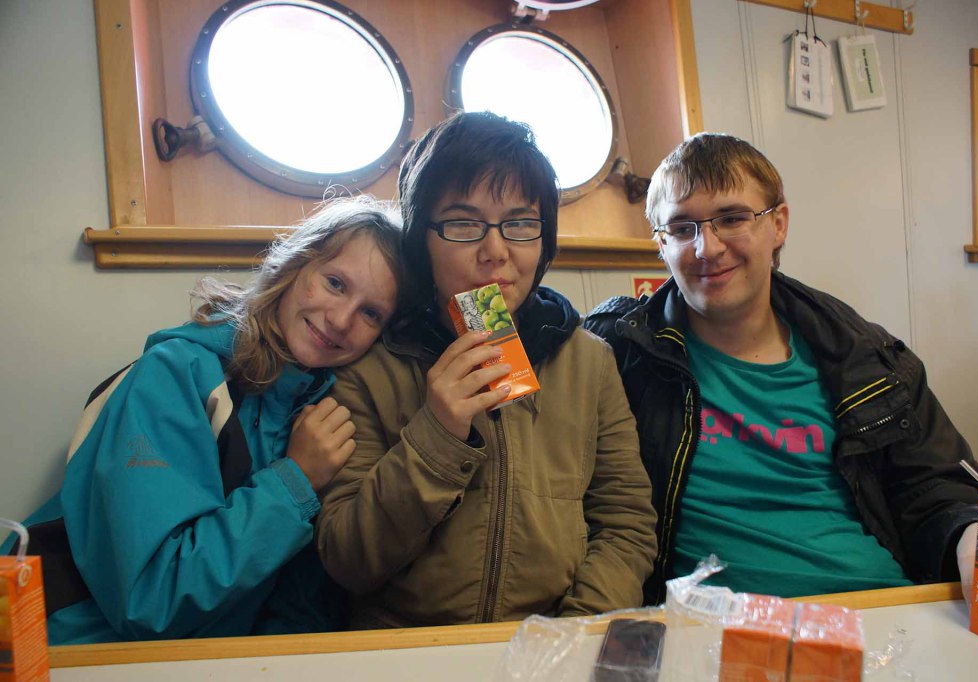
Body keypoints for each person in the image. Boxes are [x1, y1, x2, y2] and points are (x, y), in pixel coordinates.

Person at [584, 133, 978, 604]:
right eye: (682, 228)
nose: (707, 248)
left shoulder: (868, 357)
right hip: (711, 628)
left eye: (732, 218)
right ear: (660, 244)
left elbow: (943, 489)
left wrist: (973, 540)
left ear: (778, 224)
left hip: (879, 609)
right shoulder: (620, 354)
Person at [2, 197, 403, 643]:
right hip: (64, 647)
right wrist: (295, 482)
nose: (342, 320)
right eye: (335, 283)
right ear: (294, 266)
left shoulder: (321, 409)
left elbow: (297, 602)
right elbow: (152, 600)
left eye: (371, 313)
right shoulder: (173, 377)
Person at [315, 111, 657, 628]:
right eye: (463, 223)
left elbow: (626, 526)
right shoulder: (370, 364)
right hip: (408, 650)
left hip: (552, 642)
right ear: (420, 239)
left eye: (519, 224)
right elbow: (348, 561)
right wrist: (436, 435)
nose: (495, 252)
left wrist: (569, 636)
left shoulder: (589, 360)